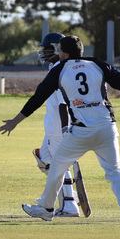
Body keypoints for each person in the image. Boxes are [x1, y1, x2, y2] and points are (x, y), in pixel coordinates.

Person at [0, 35, 120, 224]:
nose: (58, 54)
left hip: (81, 131)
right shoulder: (97, 64)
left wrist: (15, 121)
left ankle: (46, 208)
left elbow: (38, 98)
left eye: (59, 51)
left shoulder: (59, 69)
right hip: (107, 127)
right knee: (115, 171)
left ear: (65, 54)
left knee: (57, 165)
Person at [33, 32, 80, 217]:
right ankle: (65, 194)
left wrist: (64, 129)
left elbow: (63, 103)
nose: (43, 52)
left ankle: (68, 205)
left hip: (59, 127)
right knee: (44, 158)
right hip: (52, 126)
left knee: (58, 164)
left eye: (47, 48)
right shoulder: (56, 66)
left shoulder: (62, 69)